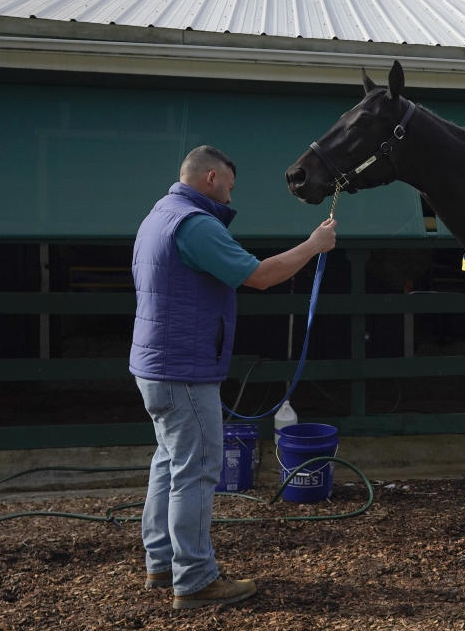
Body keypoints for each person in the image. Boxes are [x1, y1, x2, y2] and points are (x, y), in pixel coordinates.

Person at [129, 145, 337, 609]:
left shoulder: (156, 216)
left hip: (155, 367)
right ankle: (197, 580)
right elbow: (260, 276)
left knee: (168, 462)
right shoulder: (195, 224)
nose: (229, 194)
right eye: (229, 184)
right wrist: (314, 245)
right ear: (210, 178)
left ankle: (161, 563)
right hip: (184, 369)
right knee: (198, 471)